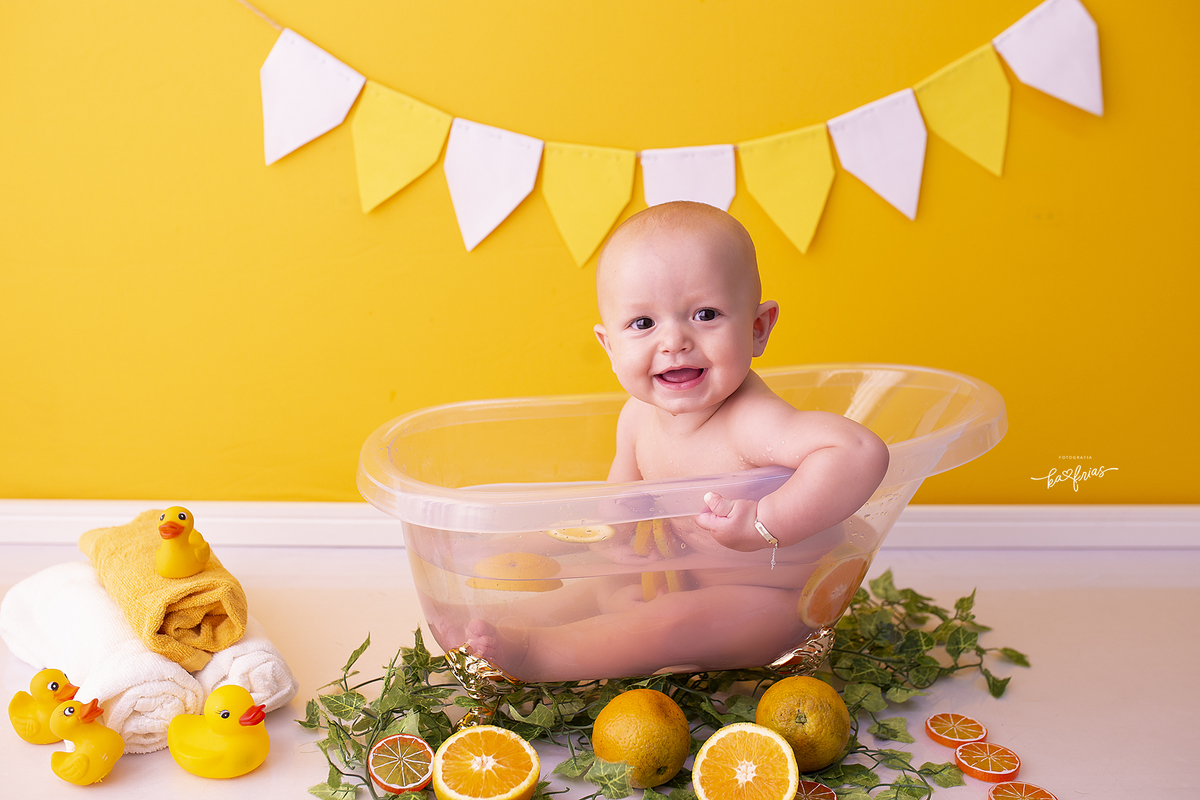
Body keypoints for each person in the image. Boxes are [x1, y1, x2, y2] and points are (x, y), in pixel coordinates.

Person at [465, 201, 889, 681]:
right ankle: (494, 632)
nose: (674, 342)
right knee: (596, 593)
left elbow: (858, 452)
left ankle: (538, 656)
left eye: (705, 314)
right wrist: (618, 544)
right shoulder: (636, 417)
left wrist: (764, 524)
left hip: (776, 603)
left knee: (668, 626)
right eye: (643, 324)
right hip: (684, 576)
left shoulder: (751, 421)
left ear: (758, 328)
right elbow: (617, 508)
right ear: (609, 346)